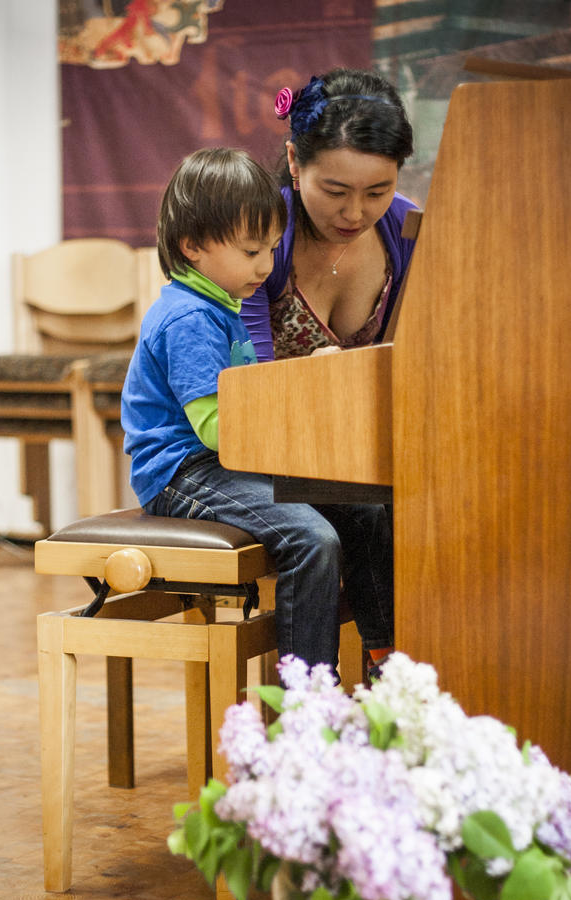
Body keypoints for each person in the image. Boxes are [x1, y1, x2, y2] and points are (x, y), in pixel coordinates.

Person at [121, 147, 394, 680]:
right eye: (251, 251)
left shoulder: (220, 305)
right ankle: (307, 695)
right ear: (192, 246)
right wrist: (298, 409)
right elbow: (217, 429)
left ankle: (387, 660)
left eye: (271, 249)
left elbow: (246, 410)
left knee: (366, 511)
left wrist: (306, 384)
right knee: (311, 539)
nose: (266, 267)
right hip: (183, 473)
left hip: (222, 463)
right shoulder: (189, 318)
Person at [240, 67, 417, 362]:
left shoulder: (405, 227)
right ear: (294, 160)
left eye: (377, 193)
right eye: (335, 192)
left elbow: (408, 356)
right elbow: (244, 380)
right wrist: (314, 381)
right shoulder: (256, 233)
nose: (354, 214)